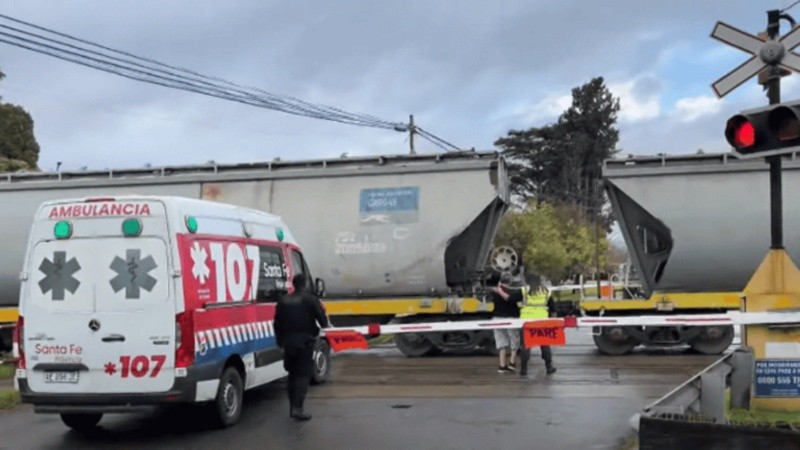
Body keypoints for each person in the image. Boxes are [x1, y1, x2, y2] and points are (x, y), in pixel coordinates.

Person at [274, 273, 329, 421]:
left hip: (288, 343)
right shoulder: (310, 300)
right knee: (303, 375)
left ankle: (293, 406)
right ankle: (298, 408)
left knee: (292, 375)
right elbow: (323, 321)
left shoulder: (283, 300)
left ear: (293, 284)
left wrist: (280, 341)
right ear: (304, 284)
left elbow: (277, 323)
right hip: (305, 343)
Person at [518, 280, 557, 376]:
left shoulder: (524, 290)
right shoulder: (546, 291)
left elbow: (511, 299)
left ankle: (523, 369)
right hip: (542, 321)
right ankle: (549, 367)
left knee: (526, 345)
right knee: (545, 344)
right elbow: (552, 308)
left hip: (527, 321)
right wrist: (553, 321)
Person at [490, 272, 521, 373]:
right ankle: (512, 362)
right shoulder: (513, 290)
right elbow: (512, 299)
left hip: (497, 318)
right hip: (511, 318)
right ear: (511, 281)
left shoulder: (495, 291)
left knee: (501, 341)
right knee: (514, 340)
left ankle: (502, 365)